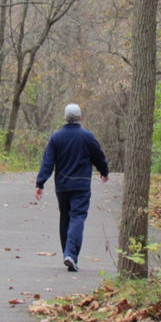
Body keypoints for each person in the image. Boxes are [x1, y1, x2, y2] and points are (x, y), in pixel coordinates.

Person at [35, 103, 109, 272]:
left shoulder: (56, 137)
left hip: (62, 185)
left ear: (65, 118)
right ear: (80, 118)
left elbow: (48, 162)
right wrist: (104, 171)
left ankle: (67, 254)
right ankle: (70, 254)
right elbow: (99, 156)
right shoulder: (87, 137)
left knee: (65, 218)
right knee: (77, 217)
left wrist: (40, 183)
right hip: (81, 184)